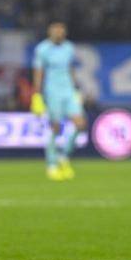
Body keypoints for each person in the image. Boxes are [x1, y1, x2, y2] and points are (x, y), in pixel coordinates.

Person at [31, 22, 87, 181]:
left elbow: (70, 68)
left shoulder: (69, 47)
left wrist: (76, 89)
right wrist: (37, 95)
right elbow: (38, 72)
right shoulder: (42, 49)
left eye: (61, 31)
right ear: (50, 33)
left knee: (80, 124)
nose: (59, 33)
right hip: (52, 91)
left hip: (68, 91)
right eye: (56, 31)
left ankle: (64, 156)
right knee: (55, 128)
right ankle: (51, 164)